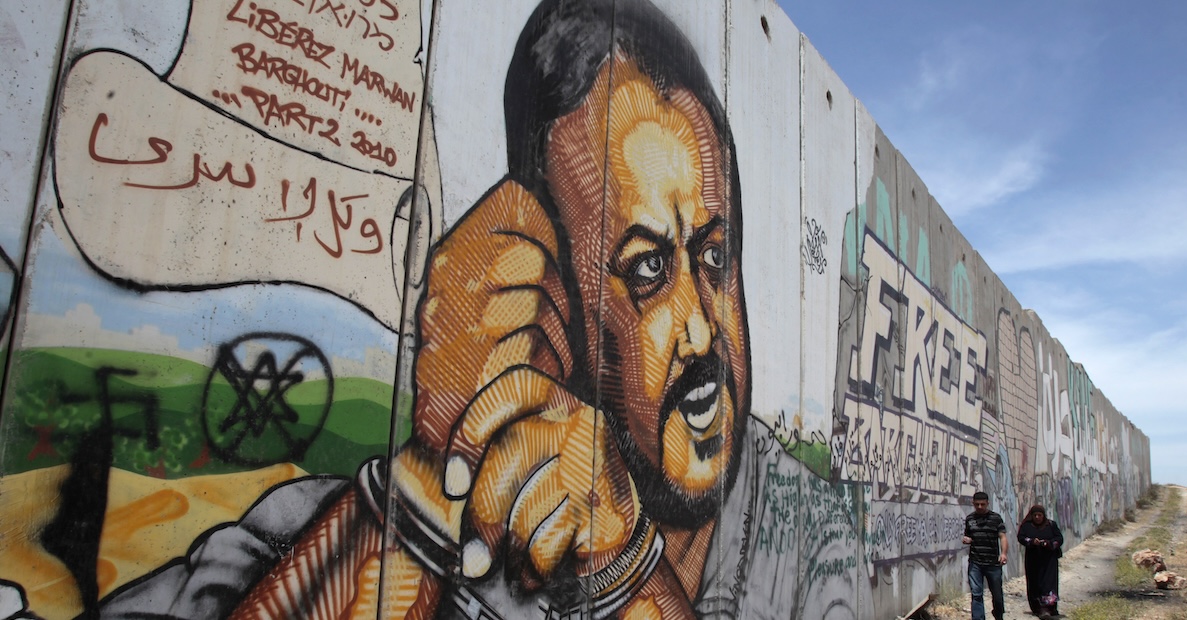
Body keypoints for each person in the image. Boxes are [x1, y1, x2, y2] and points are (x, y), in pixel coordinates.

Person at [98, 0, 816, 617]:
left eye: (716, 258)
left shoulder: (807, 531)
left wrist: (621, 567)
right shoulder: (314, 531)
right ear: (547, 294)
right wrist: (430, 479)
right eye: (649, 269)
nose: (700, 326)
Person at [963, 491, 1008, 620]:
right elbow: (968, 535)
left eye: (983, 504)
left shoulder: (996, 518)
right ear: (973, 504)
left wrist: (1004, 554)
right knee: (976, 594)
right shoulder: (970, 519)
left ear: (987, 503)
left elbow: (1003, 537)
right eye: (977, 504)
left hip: (993, 563)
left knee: (997, 595)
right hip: (975, 562)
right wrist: (967, 539)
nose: (980, 507)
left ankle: (998, 614)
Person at [1017, 504, 1063, 618]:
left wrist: (1048, 543)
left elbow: (1059, 538)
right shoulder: (1026, 526)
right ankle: (1038, 607)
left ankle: (1049, 607)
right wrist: (1032, 541)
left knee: (1049, 583)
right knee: (1034, 583)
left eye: (1040, 515)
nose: (1037, 517)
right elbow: (1021, 537)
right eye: (1035, 515)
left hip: (1049, 561)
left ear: (1043, 515)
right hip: (1033, 560)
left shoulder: (1051, 525)